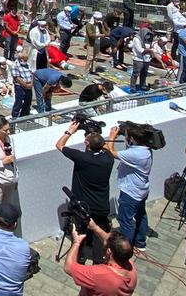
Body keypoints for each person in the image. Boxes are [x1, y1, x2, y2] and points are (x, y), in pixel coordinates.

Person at [56, 124, 115, 264]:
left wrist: (69, 131)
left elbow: (59, 145)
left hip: (82, 205)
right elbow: (105, 147)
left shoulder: (82, 157)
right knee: (98, 234)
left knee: (80, 232)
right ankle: (98, 261)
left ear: (87, 144)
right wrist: (110, 136)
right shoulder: (108, 158)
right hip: (101, 205)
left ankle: (79, 257)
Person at [105, 124, 152, 252]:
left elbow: (111, 152)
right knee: (141, 214)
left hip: (131, 192)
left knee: (125, 220)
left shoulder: (135, 154)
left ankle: (125, 249)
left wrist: (112, 137)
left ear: (133, 139)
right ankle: (140, 243)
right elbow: (130, 148)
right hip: (142, 189)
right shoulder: (145, 149)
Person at [63, 222, 137, 296]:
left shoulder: (99, 274)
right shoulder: (131, 267)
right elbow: (110, 242)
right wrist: (95, 227)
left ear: (108, 251)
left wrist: (76, 242)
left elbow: (68, 267)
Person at [9, 47, 33, 118]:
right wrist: (25, 85)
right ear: (21, 58)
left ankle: (24, 116)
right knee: (18, 102)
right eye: (25, 59)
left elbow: (32, 74)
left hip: (29, 85)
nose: (26, 60)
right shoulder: (15, 65)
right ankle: (14, 117)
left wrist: (31, 84)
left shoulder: (28, 64)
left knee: (27, 102)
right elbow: (17, 78)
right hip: (20, 86)